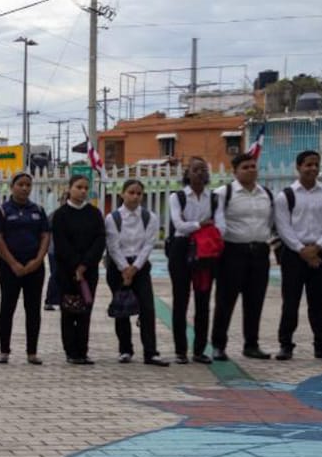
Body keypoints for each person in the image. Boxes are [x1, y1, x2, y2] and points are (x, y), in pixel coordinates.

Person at [273, 150, 322, 361]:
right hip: (294, 255)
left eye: (316, 164)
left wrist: (318, 247)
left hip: (321, 253)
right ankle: (286, 345)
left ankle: (321, 346)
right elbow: (283, 227)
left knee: (320, 303)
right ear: (298, 167)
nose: (312, 168)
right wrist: (301, 249)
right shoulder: (286, 195)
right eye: (308, 165)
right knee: (291, 302)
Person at [211, 152, 275, 362]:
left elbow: (273, 223)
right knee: (225, 301)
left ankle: (251, 344)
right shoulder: (223, 193)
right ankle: (219, 345)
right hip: (232, 253)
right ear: (235, 171)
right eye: (245, 167)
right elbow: (214, 223)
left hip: (259, 253)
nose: (250, 170)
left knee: (255, 301)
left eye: (253, 166)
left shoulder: (266, 193)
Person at [104, 179, 168, 366]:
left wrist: (135, 268)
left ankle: (151, 352)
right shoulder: (112, 218)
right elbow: (113, 246)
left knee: (147, 308)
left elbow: (149, 244)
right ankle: (125, 350)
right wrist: (124, 268)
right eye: (131, 192)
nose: (135, 196)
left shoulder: (150, 218)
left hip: (140, 267)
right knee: (121, 308)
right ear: (122, 194)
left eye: (139, 193)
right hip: (118, 268)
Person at [0, 172, 51, 365]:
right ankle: (4, 351)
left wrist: (38, 259)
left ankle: (32, 352)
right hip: (9, 267)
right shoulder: (2, 211)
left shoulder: (38, 210)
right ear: (12, 186)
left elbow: (45, 236)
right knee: (7, 307)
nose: (24, 188)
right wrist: (13, 263)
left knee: (33, 309)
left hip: (34, 266)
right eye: (20, 184)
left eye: (28, 185)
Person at [166, 157, 217, 364]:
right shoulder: (177, 197)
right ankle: (180, 350)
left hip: (204, 252)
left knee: (203, 301)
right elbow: (179, 225)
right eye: (195, 169)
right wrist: (202, 224)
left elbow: (219, 224)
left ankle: (199, 350)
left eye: (203, 169)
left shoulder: (213, 198)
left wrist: (196, 225)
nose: (199, 173)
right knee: (181, 300)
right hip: (181, 249)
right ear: (187, 173)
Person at [52, 175, 104, 365]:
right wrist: (75, 265)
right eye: (79, 187)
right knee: (69, 311)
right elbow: (61, 243)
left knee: (85, 311)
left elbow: (100, 240)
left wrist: (85, 264)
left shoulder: (94, 213)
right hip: (67, 272)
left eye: (85, 188)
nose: (83, 191)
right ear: (70, 188)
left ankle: (83, 350)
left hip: (88, 271)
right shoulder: (60, 215)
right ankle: (71, 351)